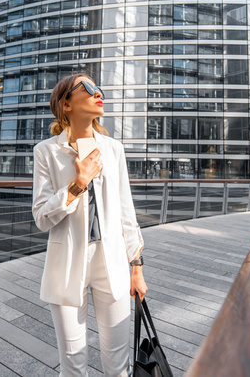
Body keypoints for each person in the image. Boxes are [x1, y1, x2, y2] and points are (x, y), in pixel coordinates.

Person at [32, 74, 147, 377]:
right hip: (66, 264)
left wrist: (136, 267)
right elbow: (42, 217)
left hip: (112, 263)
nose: (99, 93)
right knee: (73, 364)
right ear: (66, 103)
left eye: (99, 88)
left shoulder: (113, 149)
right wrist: (77, 184)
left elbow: (126, 211)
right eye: (89, 88)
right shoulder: (46, 152)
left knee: (118, 364)